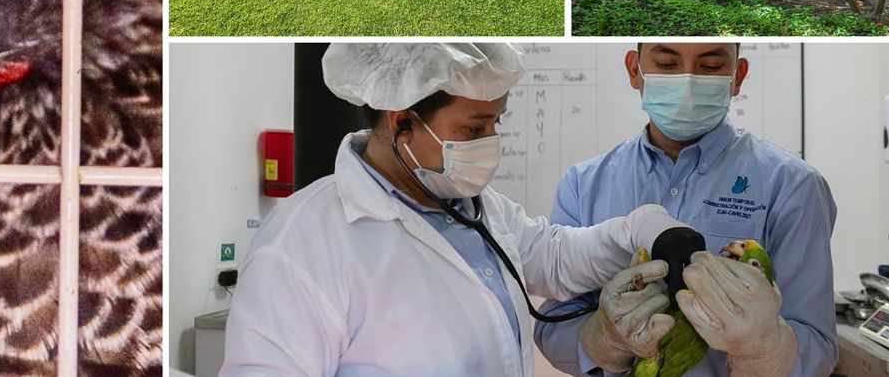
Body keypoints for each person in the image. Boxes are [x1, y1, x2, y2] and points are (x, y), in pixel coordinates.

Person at [222, 43, 706, 377]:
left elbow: (553, 259)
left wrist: (644, 226)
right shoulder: (304, 243)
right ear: (402, 121)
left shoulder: (473, 207)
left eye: (496, 122)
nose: (490, 142)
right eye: (474, 129)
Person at [534, 43, 838, 377]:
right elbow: (553, 327)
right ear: (635, 70)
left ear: (738, 76)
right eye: (666, 63)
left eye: (709, 67)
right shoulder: (583, 185)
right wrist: (602, 340)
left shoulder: (793, 186)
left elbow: (818, 346)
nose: (688, 82)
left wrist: (765, 349)